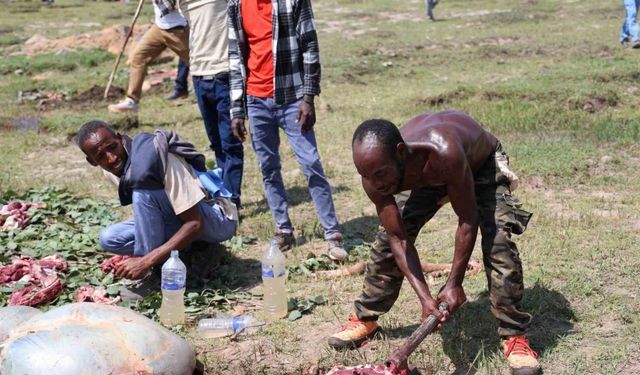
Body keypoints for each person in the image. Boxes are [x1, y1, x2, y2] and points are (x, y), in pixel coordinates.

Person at [327, 111, 541, 375]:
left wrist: (454, 283)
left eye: (380, 174)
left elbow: (467, 218)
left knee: (498, 242)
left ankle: (514, 335)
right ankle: (366, 317)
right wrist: (426, 298)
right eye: (367, 175)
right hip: (425, 175)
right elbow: (398, 238)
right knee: (386, 241)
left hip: (479, 165)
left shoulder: (443, 152)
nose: (375, 184)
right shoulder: (374, 176)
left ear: (400, 152)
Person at [227, 0, 347, 260]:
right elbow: (235, 57)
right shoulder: (236, 4)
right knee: (268, 167)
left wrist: (308, 98)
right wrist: (237, 110)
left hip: (292, 97)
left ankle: (332, 233)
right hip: (256, 101)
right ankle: (283, 229)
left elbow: (310, 46)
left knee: (311, 163)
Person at [76, 121, 238, 288]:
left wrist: (145, 261)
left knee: (142, 192)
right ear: (92, 161)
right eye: (101, 156)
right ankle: (193, 251)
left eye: (112, 147)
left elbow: (195, 222)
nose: (111, 158)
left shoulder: (158, 158)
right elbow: (150, 214)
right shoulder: (111, 171)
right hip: (179, 217)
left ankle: (157, 271)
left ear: (120, 139)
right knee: (109, 238)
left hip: (216, 220)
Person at [178, 0, 244, 208]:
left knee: (230, 142)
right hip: (198, 75)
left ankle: (231, 199)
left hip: (224, 72)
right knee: (216, 143)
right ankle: (224, 194)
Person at [108, 1, 189, 113]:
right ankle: (132, 100)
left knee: (198, 64)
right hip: (160, 27)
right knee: (138, 57)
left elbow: (172, 5)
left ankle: (217, 93)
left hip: (178, 30)